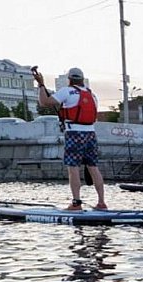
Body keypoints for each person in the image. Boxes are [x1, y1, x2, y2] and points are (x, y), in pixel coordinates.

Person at [34, 66, 107, 210]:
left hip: (74, 133)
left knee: (73, 168)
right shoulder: (92, 95)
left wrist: (41, 85)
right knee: (93, 167)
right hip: (91, 134)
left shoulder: (67, 91)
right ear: (82, 79)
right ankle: (101, 203)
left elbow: (45, 102)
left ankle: (76, 203)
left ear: (69, 79)